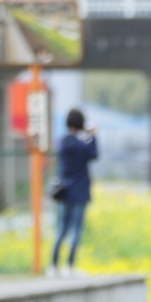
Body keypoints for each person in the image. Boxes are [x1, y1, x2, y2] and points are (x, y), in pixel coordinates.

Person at [48, 108, 98, 277]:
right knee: (76, 230)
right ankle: (70, 267)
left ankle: (53, 266)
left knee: (61, 229)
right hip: (80, 192)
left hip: (63, 191)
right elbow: (95, 154)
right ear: (81, 124)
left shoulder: (61, 142)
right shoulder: (81, 146)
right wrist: (92, 136)